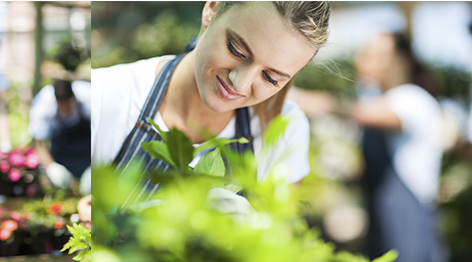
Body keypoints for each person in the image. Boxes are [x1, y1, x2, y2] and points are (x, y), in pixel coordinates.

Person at [92, 1, 327, 205]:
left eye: (270, 78)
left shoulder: (285, 128)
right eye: (236, 50)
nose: (240, 85)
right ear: (211, 10)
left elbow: (279, 243)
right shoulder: (105, 95)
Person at [352, 32, 444, 262]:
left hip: (410, 216)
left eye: (373, 55)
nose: (360, 59)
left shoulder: (412, 98)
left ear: (400, 62)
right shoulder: (377, 101)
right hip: (381, 215)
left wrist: (319, 103)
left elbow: (365, 114)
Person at [30, 41, 92, 189]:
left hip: (88, 152)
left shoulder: (89, 97)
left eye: (69, 106)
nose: (66, 110)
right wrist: (51, 167)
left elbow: (104, 136)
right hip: (61, 153)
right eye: (61, 106)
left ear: (74, 98)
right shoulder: (43, 103)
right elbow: (38, 143)